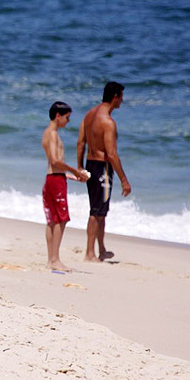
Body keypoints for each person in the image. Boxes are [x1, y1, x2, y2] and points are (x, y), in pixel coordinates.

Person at [77, 81, 132, 262]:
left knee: (101, 211)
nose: (122, 101)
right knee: (96, 212)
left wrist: (80, 168)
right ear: (115, 97)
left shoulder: (89, 114)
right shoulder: (108, 122)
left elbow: (80, 143)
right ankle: (89, 253)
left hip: (90, 164)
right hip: (103, 169)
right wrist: (124, 179)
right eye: (121, 97)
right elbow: (112, 154)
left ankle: (101, 249)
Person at [42, 101, 88, 272]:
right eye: (67, 118)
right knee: (61, 219)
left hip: (52, 178)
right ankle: (55, 259)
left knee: (53, 220)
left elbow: (53, 167)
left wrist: (72, 176)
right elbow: (55, 161)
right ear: (58, 116)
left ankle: (51, 260)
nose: (68, 121)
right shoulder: (52, 134)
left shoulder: (48, 133)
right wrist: (75, 170)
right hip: (55, 181)